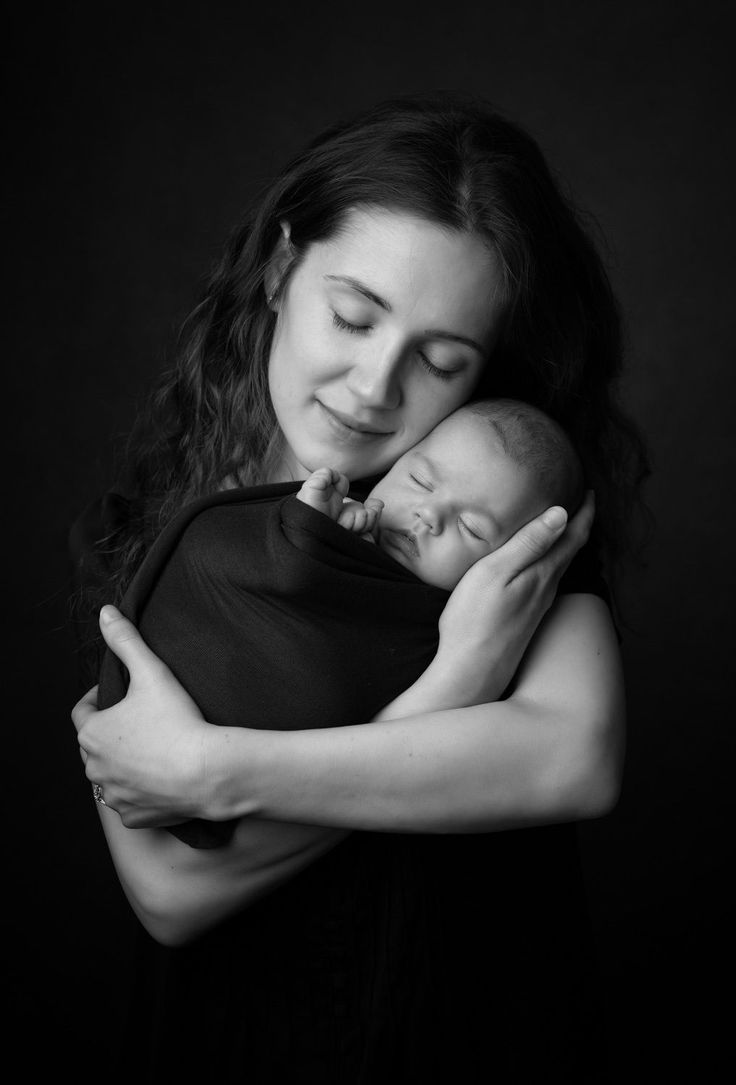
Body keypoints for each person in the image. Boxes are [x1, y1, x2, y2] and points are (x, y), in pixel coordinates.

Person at [70, 94, 646, 1082]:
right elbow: (170, 893)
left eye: (441, 358)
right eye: (353, 313)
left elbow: (570, 755)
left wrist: (214, 767)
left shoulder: (485, 512)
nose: (376, 387)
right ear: (284, 265)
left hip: (457, 1022)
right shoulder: (185, 515)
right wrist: (452, 685)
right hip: (232, 1035)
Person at [96, 397, 583, 855]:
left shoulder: (477, 621)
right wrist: (306, 535)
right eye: (420, 480)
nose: (427, 515)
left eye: (472, 529)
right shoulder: (328, 511)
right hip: (173, 700)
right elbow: (255, 577)